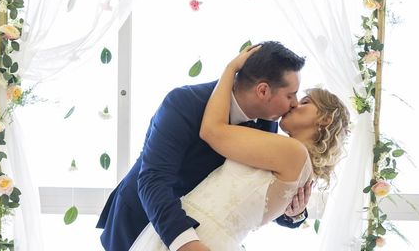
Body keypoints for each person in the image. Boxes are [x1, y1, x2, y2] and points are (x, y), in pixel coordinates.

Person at [128, 44, 350, 251]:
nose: (293, 103)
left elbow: (255, 195)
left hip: (206, 237)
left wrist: (294, 213)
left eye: (302, 100)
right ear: (263, 91)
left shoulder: (277, 134)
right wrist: (185, 244)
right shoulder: (184, 102)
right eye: (291, 96)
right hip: (146, 219)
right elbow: (153, 180)